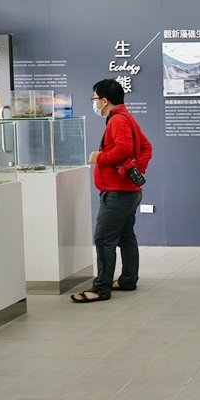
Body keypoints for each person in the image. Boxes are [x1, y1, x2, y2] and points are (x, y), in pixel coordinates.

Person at [72, 79, 152, 303]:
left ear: (104, 100)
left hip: (118, 192)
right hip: (128, 190)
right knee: (126, 237)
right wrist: (135, 170)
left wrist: (101, 158)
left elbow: (124, 148)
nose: (94, 102)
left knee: (104, 238)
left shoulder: (118, 120)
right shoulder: (126, 117)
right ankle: (127, 280)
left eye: (95, 98)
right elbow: (146, 147)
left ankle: (100, 288)